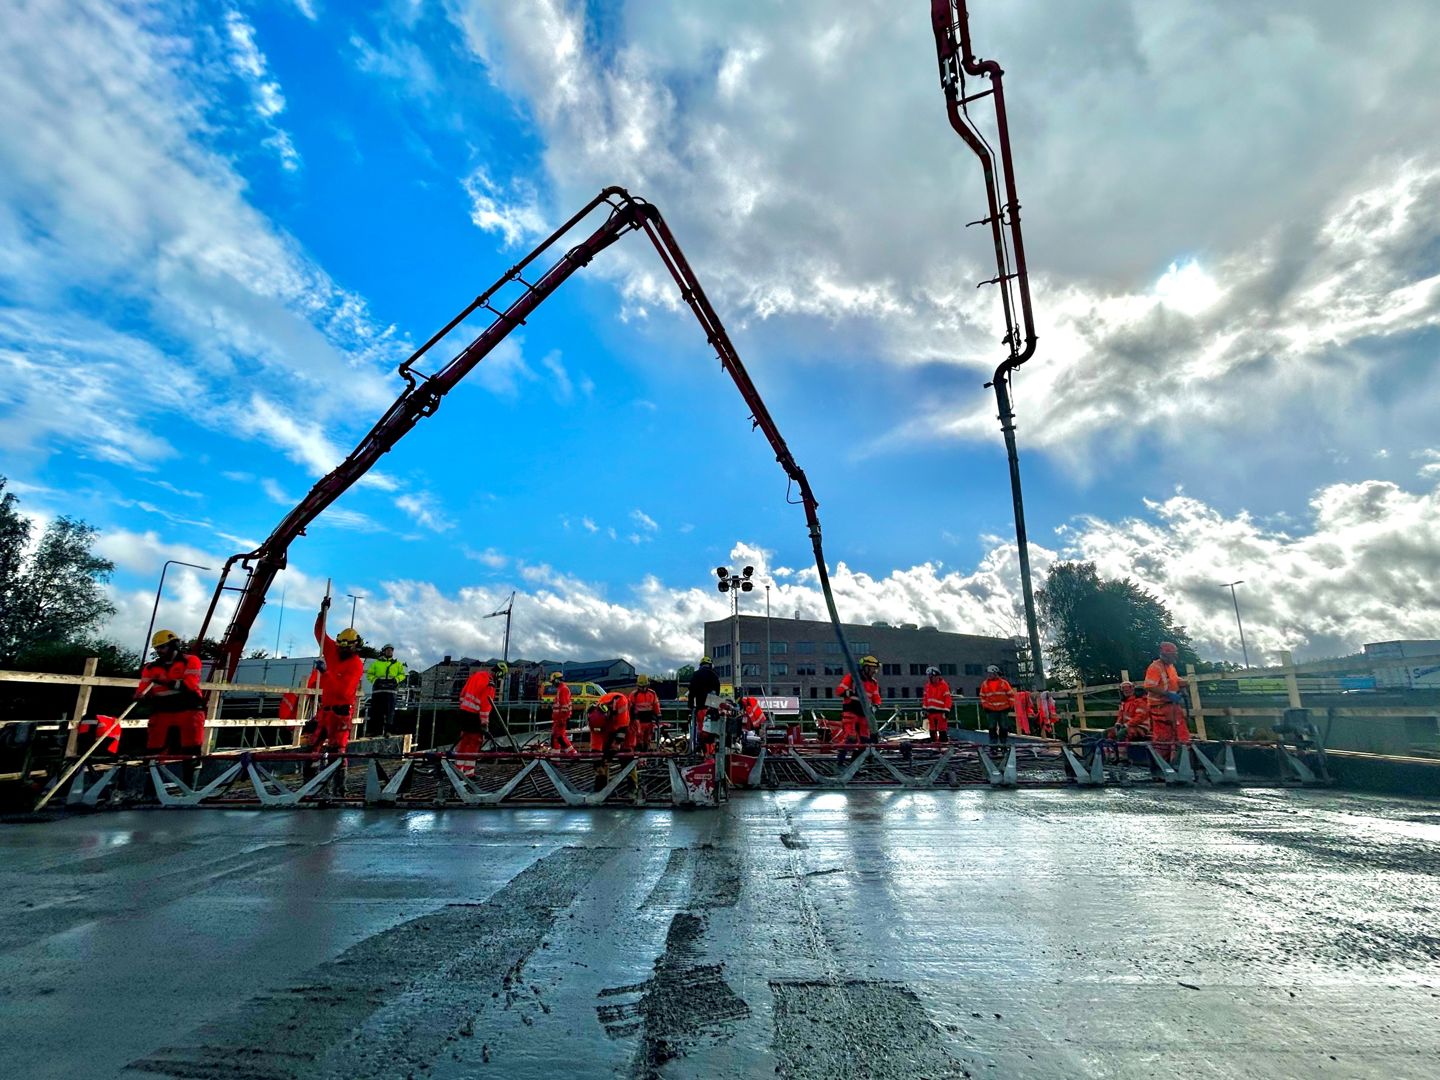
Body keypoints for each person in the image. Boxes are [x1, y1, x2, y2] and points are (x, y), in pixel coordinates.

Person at [137, 629, 206, 781]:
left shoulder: (190, 661)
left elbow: (189, 685)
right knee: (154, 749)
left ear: (173, 645)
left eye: (162, 647)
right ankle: (151, 791)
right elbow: (143, 688)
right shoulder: (150, 668)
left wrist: (164, 682)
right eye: (157, 648)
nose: (159, 651)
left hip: (188, 708)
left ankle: (189, 788)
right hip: (162, 710)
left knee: (191, 749)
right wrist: (140, 695)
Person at [311, 599, 365, 794]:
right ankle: (311, 787)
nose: (342, 649)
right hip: (325, 711)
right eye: (340, 645)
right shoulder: (333, 651)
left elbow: (344, 691)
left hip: (341, 713)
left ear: (355, 646)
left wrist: (326, 673)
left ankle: (340, 788)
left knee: (337, 751)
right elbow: (320, 634)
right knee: (312, 749)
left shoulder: (356, 665)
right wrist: (322, 612)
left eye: (346, 646)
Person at [457, 660, 509, 769]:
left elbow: (463, 693)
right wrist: (484, 723)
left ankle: (458, 768)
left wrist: (463, 706)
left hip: (464, 712)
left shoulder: (477, 675)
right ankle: (468, 771)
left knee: (464, 741)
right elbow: (486, 705)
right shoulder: (490, 684)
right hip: (475, 715)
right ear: (499, 673)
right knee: (475, 742)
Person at [1144, 642, 1191, 753]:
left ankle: (1167, 763)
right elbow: (1149, 686)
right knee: (1178, 734)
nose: (1175, 657)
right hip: (1161, 706)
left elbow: (1172, 679)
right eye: (1173, 655)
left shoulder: (1170, 667)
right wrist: (1168, 694)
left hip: (1168, 705)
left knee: (1166, 737)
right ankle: (1182, 759)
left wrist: (1182, 682)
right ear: (1166, 655)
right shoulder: (1155, 667)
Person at [835, 655, 882, 762]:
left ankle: (856, 762)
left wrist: (876, 705)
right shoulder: (852, 677)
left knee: (865, 741)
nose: (875, 671)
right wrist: (847, 692)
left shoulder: (873, 683)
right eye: (873, 668)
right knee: (850, 738)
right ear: (866, 667)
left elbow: (876, 698)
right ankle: (840, 761)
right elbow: (839, 690)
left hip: (864, 714)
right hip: (851, 711)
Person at [364, 644, 408, 737]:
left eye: (391, 650)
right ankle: (376, 731)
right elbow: (369, 674)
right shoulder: (376, 663)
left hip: (391, 691)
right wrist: (376, 680)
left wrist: (395, 680)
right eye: (387, 650)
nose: (389, 652)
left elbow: (402, 675)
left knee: (389, 713)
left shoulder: (397, 664)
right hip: (378, 691)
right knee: (376, 712)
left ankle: (388, 731)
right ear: (384, 651)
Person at [687, 656, 721, 754]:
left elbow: (691, 692)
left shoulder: (696, 675)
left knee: (702, 731)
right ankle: (712, 753)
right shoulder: (714, 675)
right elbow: (717, 692)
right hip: (712, 708)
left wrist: (690, 705)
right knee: (712, 731)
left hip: (701, 708)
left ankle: (704, 752)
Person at [979, 665, 1016, 746]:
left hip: (1003, 709)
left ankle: (1004, 744)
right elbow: (982, 697)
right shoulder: (984, 684)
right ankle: (993, 745)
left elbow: (1011, 695)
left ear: (995, 673)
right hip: (991, 710)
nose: (989, 675)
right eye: (988, 673)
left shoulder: (1004, 683)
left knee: (1003, 727)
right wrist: (985, 706)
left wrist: (1010, 706)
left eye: (990, 673)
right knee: (992, 727)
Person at [630, 675, 661, 752]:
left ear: (648, 685)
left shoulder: (652, 693)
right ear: (637, 685)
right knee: (638, 739)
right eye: (641, 686)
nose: (643, 688)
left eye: (644, 686)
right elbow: (630, 707)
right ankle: (638, 755)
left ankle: (645, 755)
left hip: (649, 719)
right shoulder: (634, 695)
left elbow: (656, 705)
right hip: (638, 720)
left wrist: (658, 715)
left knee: (647, 739)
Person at [921, 666, 953, 742]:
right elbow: (925, 698)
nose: (931, 678)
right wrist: (924, 709)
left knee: (942, 731)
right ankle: (934, 746)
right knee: (932, 731)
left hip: (941, 712)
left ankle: (943, 746)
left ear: (936, 676)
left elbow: (948, 699)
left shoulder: (944, 685)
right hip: (931, 712)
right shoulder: (928, 686)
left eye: (931, 677)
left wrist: (946, 711)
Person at [547, 672, 575, 754]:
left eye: (553, 682)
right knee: (556, 737)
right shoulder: (561, 689)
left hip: (561, 719)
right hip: (558, 719)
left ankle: (572, 753)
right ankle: (556, 756)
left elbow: (564, 706)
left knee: (560, 737)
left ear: (556, 680)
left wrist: (563, 719)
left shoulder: (563, 689)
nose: (552, 684)